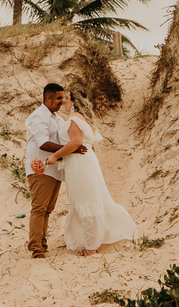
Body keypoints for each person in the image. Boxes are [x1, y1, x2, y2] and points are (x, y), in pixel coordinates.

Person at [40, 89, 137, 255]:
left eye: (67, 98)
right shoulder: (82, 118)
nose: (64, 101)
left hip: (79, 165)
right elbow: (88, 145)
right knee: (89, 199)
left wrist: (55, 156)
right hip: (84, 162)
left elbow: (76, 142)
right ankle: (92, 241)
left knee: (85, 201)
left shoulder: (73, 118)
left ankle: (91, 247)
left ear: (74, 101)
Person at [24, 82, 84, 259]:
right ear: (48, 98)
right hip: (40, 168)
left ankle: (42, 244)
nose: (61, 101)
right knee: (39, 208)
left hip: (54, 169)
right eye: (58, 98)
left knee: (48, 209)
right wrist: (70, 149)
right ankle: (36, 248)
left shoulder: (57, 118)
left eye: (63, 98)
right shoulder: (38, 116)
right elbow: (43, 143)